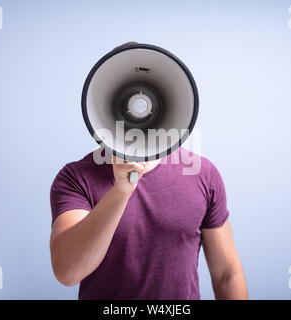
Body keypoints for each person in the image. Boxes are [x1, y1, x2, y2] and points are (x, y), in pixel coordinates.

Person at [49, 43, 248, 300]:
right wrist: (121, 190)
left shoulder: (202, 175)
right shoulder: (75, 178)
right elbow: (68, 271)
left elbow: (226, 274)